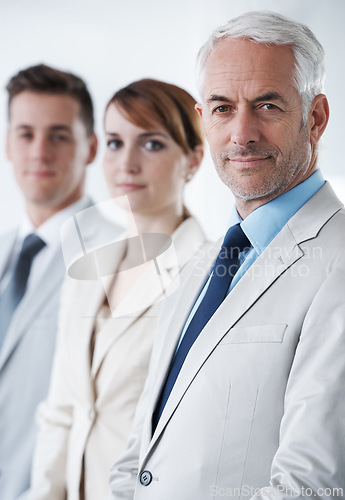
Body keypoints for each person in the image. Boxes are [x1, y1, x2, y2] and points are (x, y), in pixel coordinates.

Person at [108, 11, 345, 500]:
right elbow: (138, 457)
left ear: (315, 117)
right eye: (221, 108)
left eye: (267, 105)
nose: (241, 133)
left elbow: (311, 488)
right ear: (202, 122)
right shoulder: (202, 265)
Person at [29, 78, 206, 500]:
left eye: (152, 144)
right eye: (113, 143)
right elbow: (63, 411)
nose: (126, 164)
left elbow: (196, 439)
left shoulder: (209, 277)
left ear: (194, 160)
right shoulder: (84, 268)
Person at [0, 63, 109, 500]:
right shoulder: (7, 251)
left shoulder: (119, 257)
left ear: (91, 147)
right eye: (25, 133)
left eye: (59, 136)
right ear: (8, 143)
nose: (39, 152)